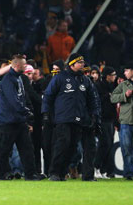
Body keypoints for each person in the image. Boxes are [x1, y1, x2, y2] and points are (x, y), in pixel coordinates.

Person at [42, 53, 101, 181]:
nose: (83, 64)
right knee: (62, 145)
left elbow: (93, 100)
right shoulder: (60, 78)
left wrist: (94, 116)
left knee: (72, 148)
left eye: (83, 62)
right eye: (80, 62)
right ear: (72, 64)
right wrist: (46, 113)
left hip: (79, 119)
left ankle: (62, 173)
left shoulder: (86, 80)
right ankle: (54, 173)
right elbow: (48, 95)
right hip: (63, 118)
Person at [0, 55, 41, 180]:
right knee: (4, 150)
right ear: (16, 66)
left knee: (27, 149)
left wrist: (25, 113)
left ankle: (31, 175)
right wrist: (25, 111)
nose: (25, 66)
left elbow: (21, 98)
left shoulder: (19, 78)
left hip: (19, 120)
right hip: (8, 120)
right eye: (24, 65)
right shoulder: (8, 80)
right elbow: (13, 100)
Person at [94, 66, 117, 179]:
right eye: (113, 75)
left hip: (111, 119)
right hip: (102, 119)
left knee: (109, 144)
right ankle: (96, 167)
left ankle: (103, 170)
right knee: (105, 143)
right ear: (107, 76)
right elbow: (97, 101)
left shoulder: (112, 86)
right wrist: (107, 96)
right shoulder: (98, 86)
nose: (115, 77)